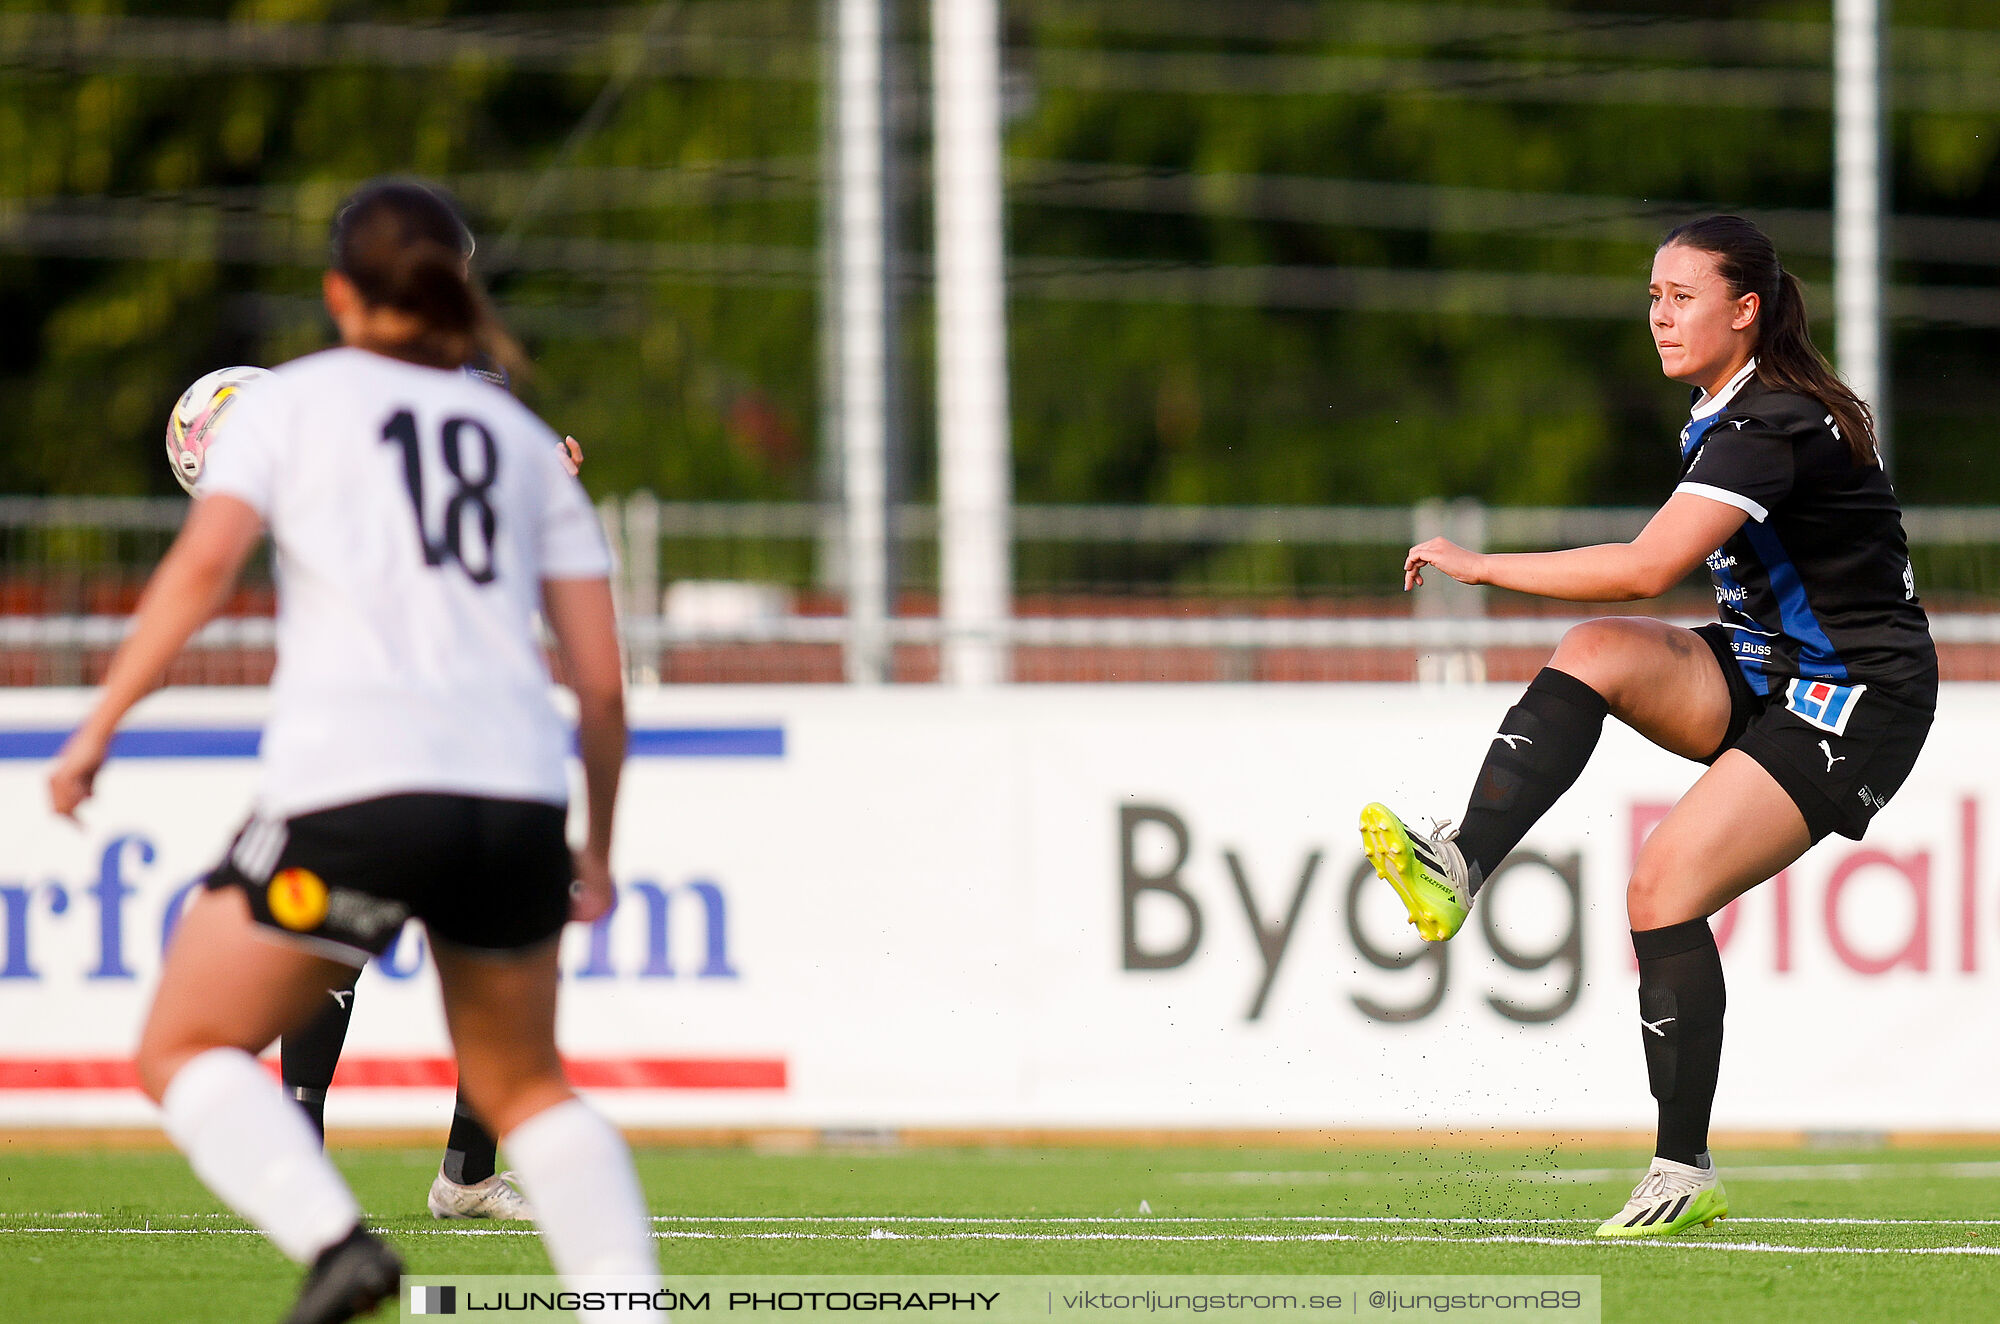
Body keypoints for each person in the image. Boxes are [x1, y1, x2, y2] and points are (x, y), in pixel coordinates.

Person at [49, 179, 660, 1323]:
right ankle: (631, 1310)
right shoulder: (521, 442)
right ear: (456, 290)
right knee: (534, 1089)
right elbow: (599, 686)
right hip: (513, 797)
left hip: (358, 787)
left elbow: (197, 573)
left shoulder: (292, 406)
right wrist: (600, 845)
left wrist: (96, 726)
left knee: (182, 1044)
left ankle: (335, 1241)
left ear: (337, 292)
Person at [1358, 214, 1936, 1239]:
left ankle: (1682, 1169)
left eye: (1682, 297)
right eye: (1653, 296)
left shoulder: (1771, 425)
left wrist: (1482, 566)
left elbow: (1643, 566)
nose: (1659, 316)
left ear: (1743, 310)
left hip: (1854, 699)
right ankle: (1458, 867)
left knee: (1658, 883)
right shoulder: (1734, 409)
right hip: (1769, 667)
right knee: (1594, 649)